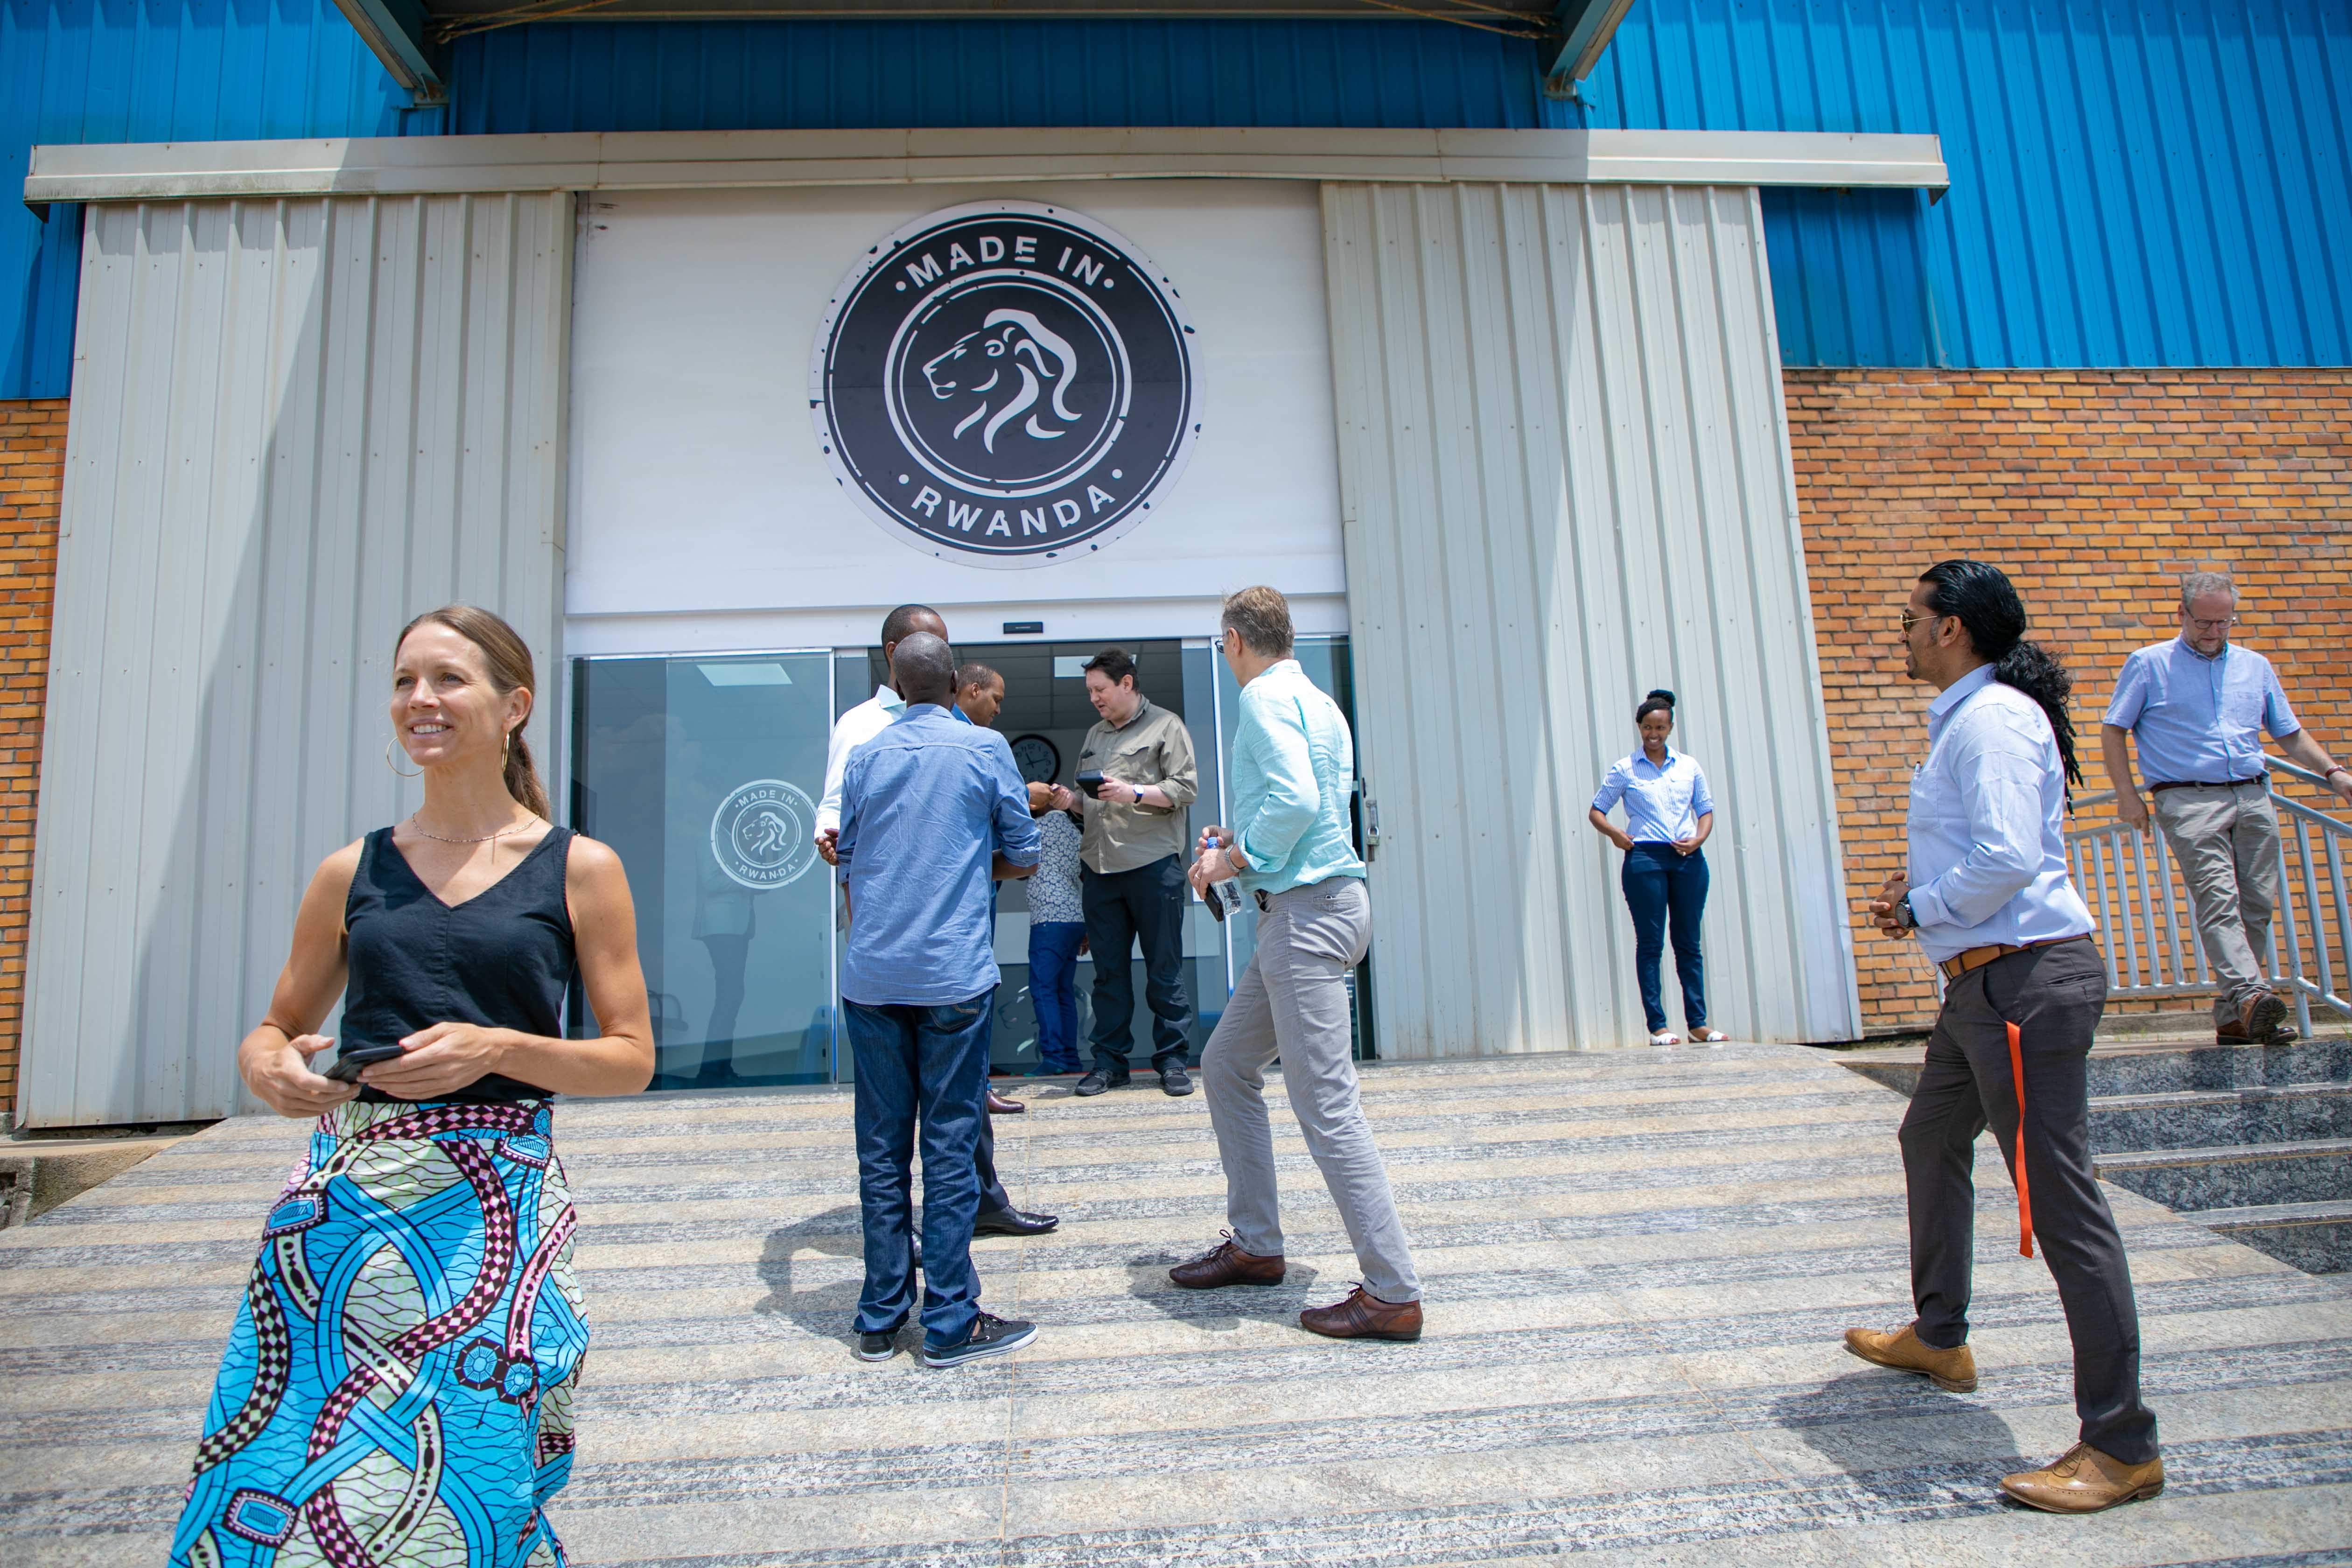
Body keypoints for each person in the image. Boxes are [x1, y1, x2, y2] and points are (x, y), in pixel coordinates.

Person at [168, 606, 655, 1568]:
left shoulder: (580, 868)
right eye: (404, 681)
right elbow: (275, 1029)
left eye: (447, 679)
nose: (420, 700)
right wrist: (266, 1065)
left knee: (475, 1469)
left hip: (493, 1221)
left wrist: (499, 1047)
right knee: (294, 1459)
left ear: (514, 705)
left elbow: (631, 1057)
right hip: (344, 1214)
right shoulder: (353, 870)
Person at [1853, 560, 2162, 1514]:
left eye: (1911, 619)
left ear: (1952, 631)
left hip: (2022, 983)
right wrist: (1925, 900)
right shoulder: (1974, 721)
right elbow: (1985, 847)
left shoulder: (1987, 723)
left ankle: (2122, 1445)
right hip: (1981, 986)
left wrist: (1927, 907)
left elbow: (2007, 855)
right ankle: (1940, 1334)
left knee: (2061, 1203)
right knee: (1931, 1136)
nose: (1900, 634)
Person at [1174, 587, 1424, 1342]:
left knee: (1329, 1107)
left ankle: (1393, 1290)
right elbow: (1309, 804)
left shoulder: (1259, 700)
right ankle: (1256, 1245)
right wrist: (1244, 840)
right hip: (1321, 909)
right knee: (1226, 1065)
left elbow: (1295, 799)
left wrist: (1234, 859)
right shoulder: (1318, 700)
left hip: (1305, 920)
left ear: (1234, 640)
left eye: (1222, 647)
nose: (1224, 658)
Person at [836, 632, 1043, 1369]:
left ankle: (879, 1317)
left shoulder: (866, 755)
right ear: (956, 682)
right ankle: (951, 1322)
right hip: (953, 975)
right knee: (950, 1144)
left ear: (895, 682)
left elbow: (850, 860)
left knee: (880, 1147)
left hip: (873, 978)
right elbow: (1026, 853)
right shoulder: (985, 751)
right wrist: (966, 864)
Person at [2099, 569, 2352, 1043]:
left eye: (2224, 623)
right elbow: (2114, 729)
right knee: (2219, 899)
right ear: (2182, 614)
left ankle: (2236, 1017)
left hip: (2254, 795)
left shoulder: (2255, 666)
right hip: (2187, 798)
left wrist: (2334, 773)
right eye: (2204, 623)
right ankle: (2252, 993)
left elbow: (2287, 733)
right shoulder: (2149, 664)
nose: (2214, 633)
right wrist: (2126, 794)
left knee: (2256, 905)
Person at [1073, 647, 1200, 1097]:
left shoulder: (1168, 726)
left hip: (1152, 866)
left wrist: (1135, 792)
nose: (1094, 699)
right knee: (1108, 975)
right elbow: (1088, 800)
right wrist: (1065, 799)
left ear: (1126, 684)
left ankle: (1172, 1062)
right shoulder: (1094, 735)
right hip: (1100, 869)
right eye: (1090, 691)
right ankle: (1110, 1064)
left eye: (1100, 690)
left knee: (1164, 970)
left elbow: (1186, 789)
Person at [1586, 689, 1728, 1047]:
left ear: (1670, 727)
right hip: (1645, 859)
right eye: (1648, 727)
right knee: (1651, 944)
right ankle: (1658, 1026)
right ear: (1639, 727)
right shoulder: (1625, 769)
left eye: (1660, 727)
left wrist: (1698, 839)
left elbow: (1706, 810)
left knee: (1688, 943)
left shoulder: (1689, 767)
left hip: (1687, 859)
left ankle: (1698, 1023)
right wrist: (1616, 834)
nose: (1654, 733)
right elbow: (1596, 811)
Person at [1025, 780, 1089, 1075]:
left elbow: (1017, 857)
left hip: (1048, 919)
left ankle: (1054, 1058)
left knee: (1043, 990)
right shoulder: (1077, 834)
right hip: (1074, 918)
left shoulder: (1037, 832)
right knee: (1064, 991)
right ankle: (1071, 1059)